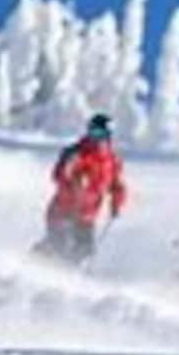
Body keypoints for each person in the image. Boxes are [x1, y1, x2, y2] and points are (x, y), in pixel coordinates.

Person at [36, 113, 127, 265]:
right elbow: (58, 175)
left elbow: (117, 186)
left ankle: (66, 275)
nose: (96, 138)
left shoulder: (111, 161)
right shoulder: (76, 152)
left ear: (109, 136)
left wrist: (117, 204)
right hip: (63, 210)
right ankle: (31, 262)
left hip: (86, 216)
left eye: (100, 134)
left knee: (84, 250)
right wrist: (72, 178)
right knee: (59, 245)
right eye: (92, 132)